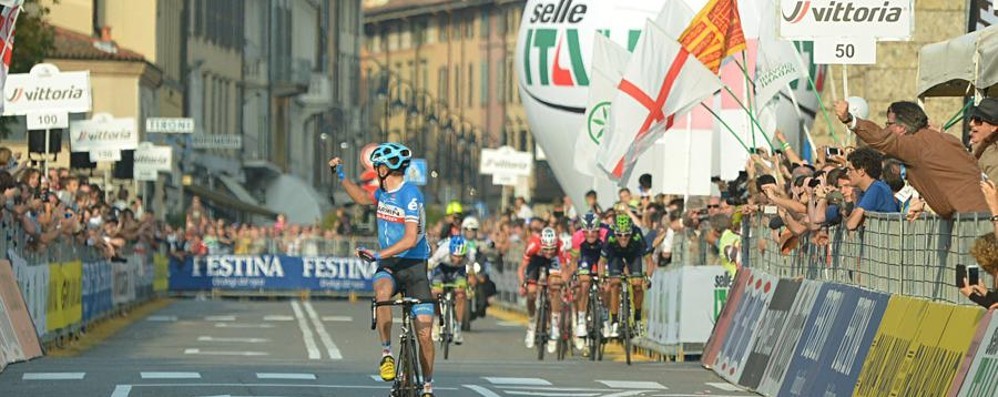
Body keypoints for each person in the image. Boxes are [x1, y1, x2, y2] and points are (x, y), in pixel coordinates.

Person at [328, 143, 436, 397]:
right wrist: (342, 175)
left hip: (414, 265)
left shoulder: (410, 194)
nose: (376, 170)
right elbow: (364, 199)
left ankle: (428, 386)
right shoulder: (383, 192)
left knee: (424, 332)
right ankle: (387, 353)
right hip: (390, 265)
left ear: (387, 168)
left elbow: (410, 239)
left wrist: (377, 254)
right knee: (382, 292)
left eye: (378, 166)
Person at [835, 100, 989, 218]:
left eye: (889, 124)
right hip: (979, 216)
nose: (886, 129)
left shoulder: (915, 145)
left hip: (970, 222)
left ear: (902, 128)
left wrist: (850, 120)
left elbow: (881, 139)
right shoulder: (946, 139)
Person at [598, 214, 649, 338]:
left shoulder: (637, 235)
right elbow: (602, 261)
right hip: (615, 256)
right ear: (614, 233)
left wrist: (648, 277)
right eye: (619, 235)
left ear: (631, 232)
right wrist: (602, 278)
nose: (623, 238)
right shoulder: (610, 236)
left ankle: (637, 318)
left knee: (637, 285)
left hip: (633, 255)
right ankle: (614, 321)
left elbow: (649, 260)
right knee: (614, 284)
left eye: (627, 235)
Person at [517, 226, 564, 353]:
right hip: (536, 261)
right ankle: (532, 324)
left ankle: (554, 324)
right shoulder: (533, 245)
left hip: (553, 263)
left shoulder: (560, 246)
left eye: (551, 249)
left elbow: (565, 267)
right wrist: (523, 284)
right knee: (531, 291)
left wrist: (563, 282)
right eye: (546, 249)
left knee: (555, 286)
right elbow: (521, 268)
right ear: (541, 244)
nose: (549, 252)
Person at [569, 212, 607, 349]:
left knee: (606, 284)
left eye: (594, 233)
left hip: (602, 256)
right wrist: (574, 274)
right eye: (587, 233)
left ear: (599, 230)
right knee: (584, 283)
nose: (590, 236)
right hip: (585, 256)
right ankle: (581, 320)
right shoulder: (577, 237)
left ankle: (605, 316)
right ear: (583, 231)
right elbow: (574, 260)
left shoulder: (606, 233)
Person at [844, 148, 900, 230]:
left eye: (850, 170)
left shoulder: (877, 189)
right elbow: (849, 223)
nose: (847, 174)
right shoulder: (864, 191)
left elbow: (851, 224)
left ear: (861, 171)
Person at [428, 236, 471, 345]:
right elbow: (430, 264)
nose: (458, 259)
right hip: (441, 268)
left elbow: (472, 272)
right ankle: (437, 320)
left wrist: (469, 286)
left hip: (459, 271)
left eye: (461, 256)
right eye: (455, 256)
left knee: (461, 294)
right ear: (450, 252)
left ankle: (457, 327)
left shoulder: (470, 255)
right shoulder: (442, 251)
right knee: (436, 293)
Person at [971, 98, 998, 183]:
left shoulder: (993, 158)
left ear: (994, 127)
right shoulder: (981, 152)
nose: (971, 123)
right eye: (971, 118)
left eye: (978, 120)